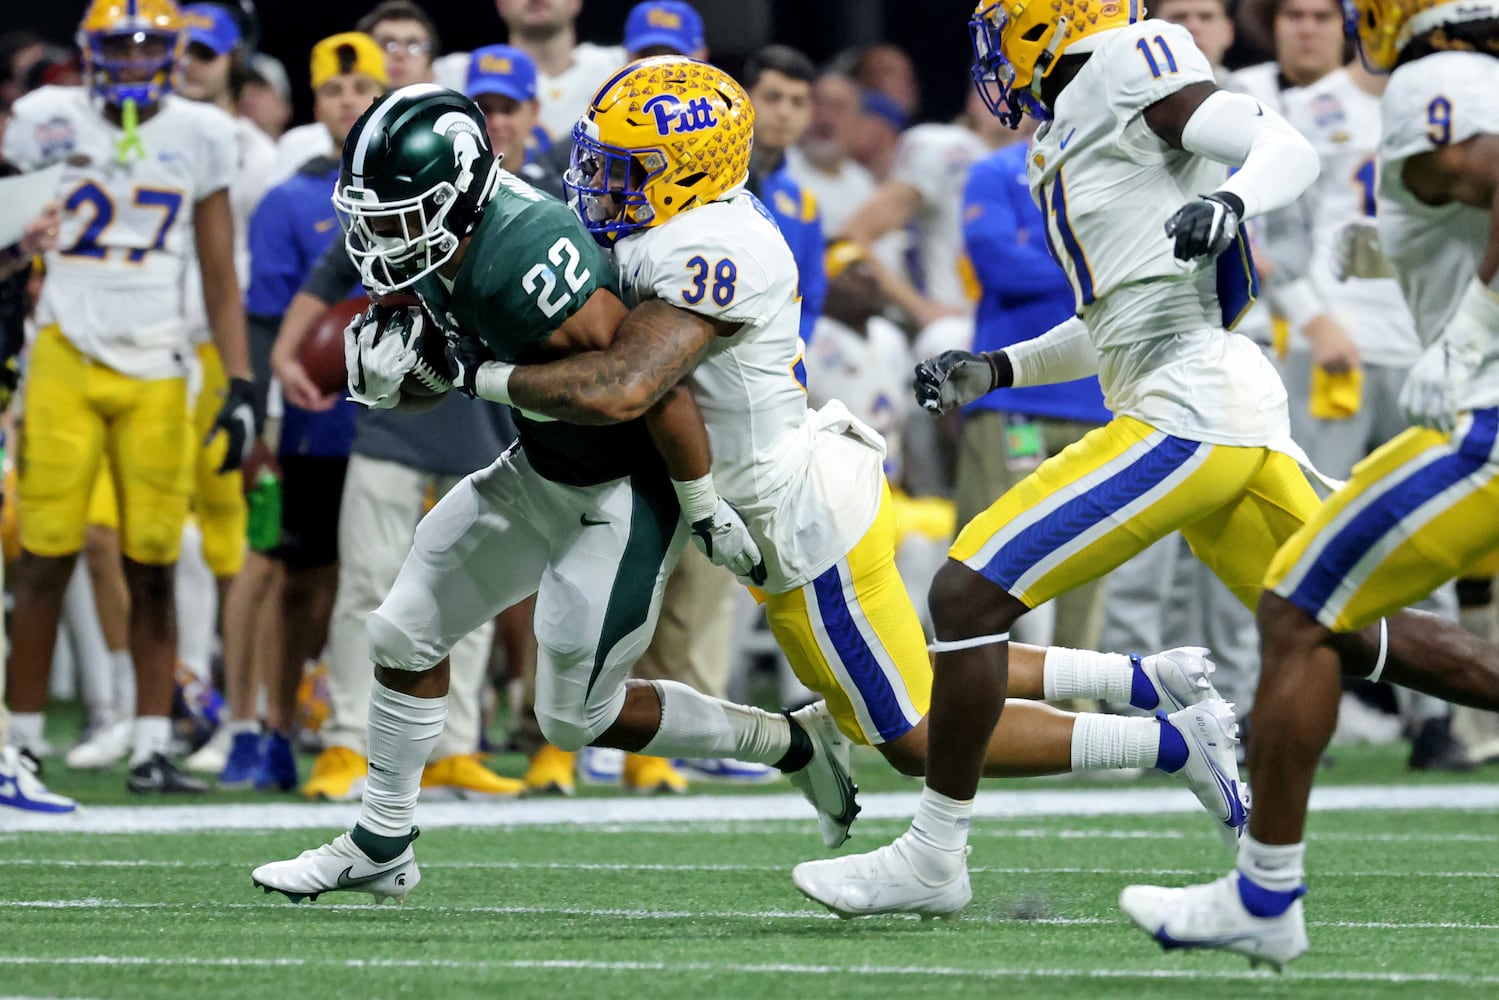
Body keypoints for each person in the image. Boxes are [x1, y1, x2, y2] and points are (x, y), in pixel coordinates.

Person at [450, 59, 1253, 852]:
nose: (600, 184)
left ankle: (1173, 744)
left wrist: (469, 371)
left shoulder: (706, 247)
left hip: (797, 522)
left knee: (914, 738)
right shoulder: (681, 225)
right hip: (795, 497)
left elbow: (629, 384)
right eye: (601, 163)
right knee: (927, 671)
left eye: (628, 170)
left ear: (693, 171)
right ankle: (1144, 680)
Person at [249, 85, 852, 901]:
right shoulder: (440, 240)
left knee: (574, 719)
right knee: (402, 631)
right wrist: (400, 382)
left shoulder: (528, 249)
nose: (381, 235)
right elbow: (455, 376)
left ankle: (790, 744)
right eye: (373, 215)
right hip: (540, 465)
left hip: (624, 490)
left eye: (399, 213)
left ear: (458, 194)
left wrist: (702, 504)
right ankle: (381, 842)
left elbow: (639, 390)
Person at [1120, 0, 1499, 967]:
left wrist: (1469, 335)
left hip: (1485, 423)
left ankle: (1264, 895)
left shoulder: (1432, 77)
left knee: (1295, 603)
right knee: (1319, 605)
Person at [2, 0, 255, 794]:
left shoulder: (201, 132)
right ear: (90, 51)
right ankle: (19, 746)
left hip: (157, 365)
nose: (138, 60)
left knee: (153, 560)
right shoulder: (45, 118)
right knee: (46, 557)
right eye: (122, 45)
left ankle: (152, 744)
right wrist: (15, 243)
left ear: (173, 53)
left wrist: (241, 381)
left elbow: (218, 272)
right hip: (64, 355)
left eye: (151, 46)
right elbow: (6, 244)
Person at [955, 129, 1111, 653]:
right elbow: (998, 265)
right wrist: (1094, 262)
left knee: (1086, 562)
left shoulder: (1112, 169)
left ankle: (1077, 706)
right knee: (988, 561)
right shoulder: (995, 171)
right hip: (1011, 402)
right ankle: (974, 698)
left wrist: (1039, 246)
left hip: (1097, 401)